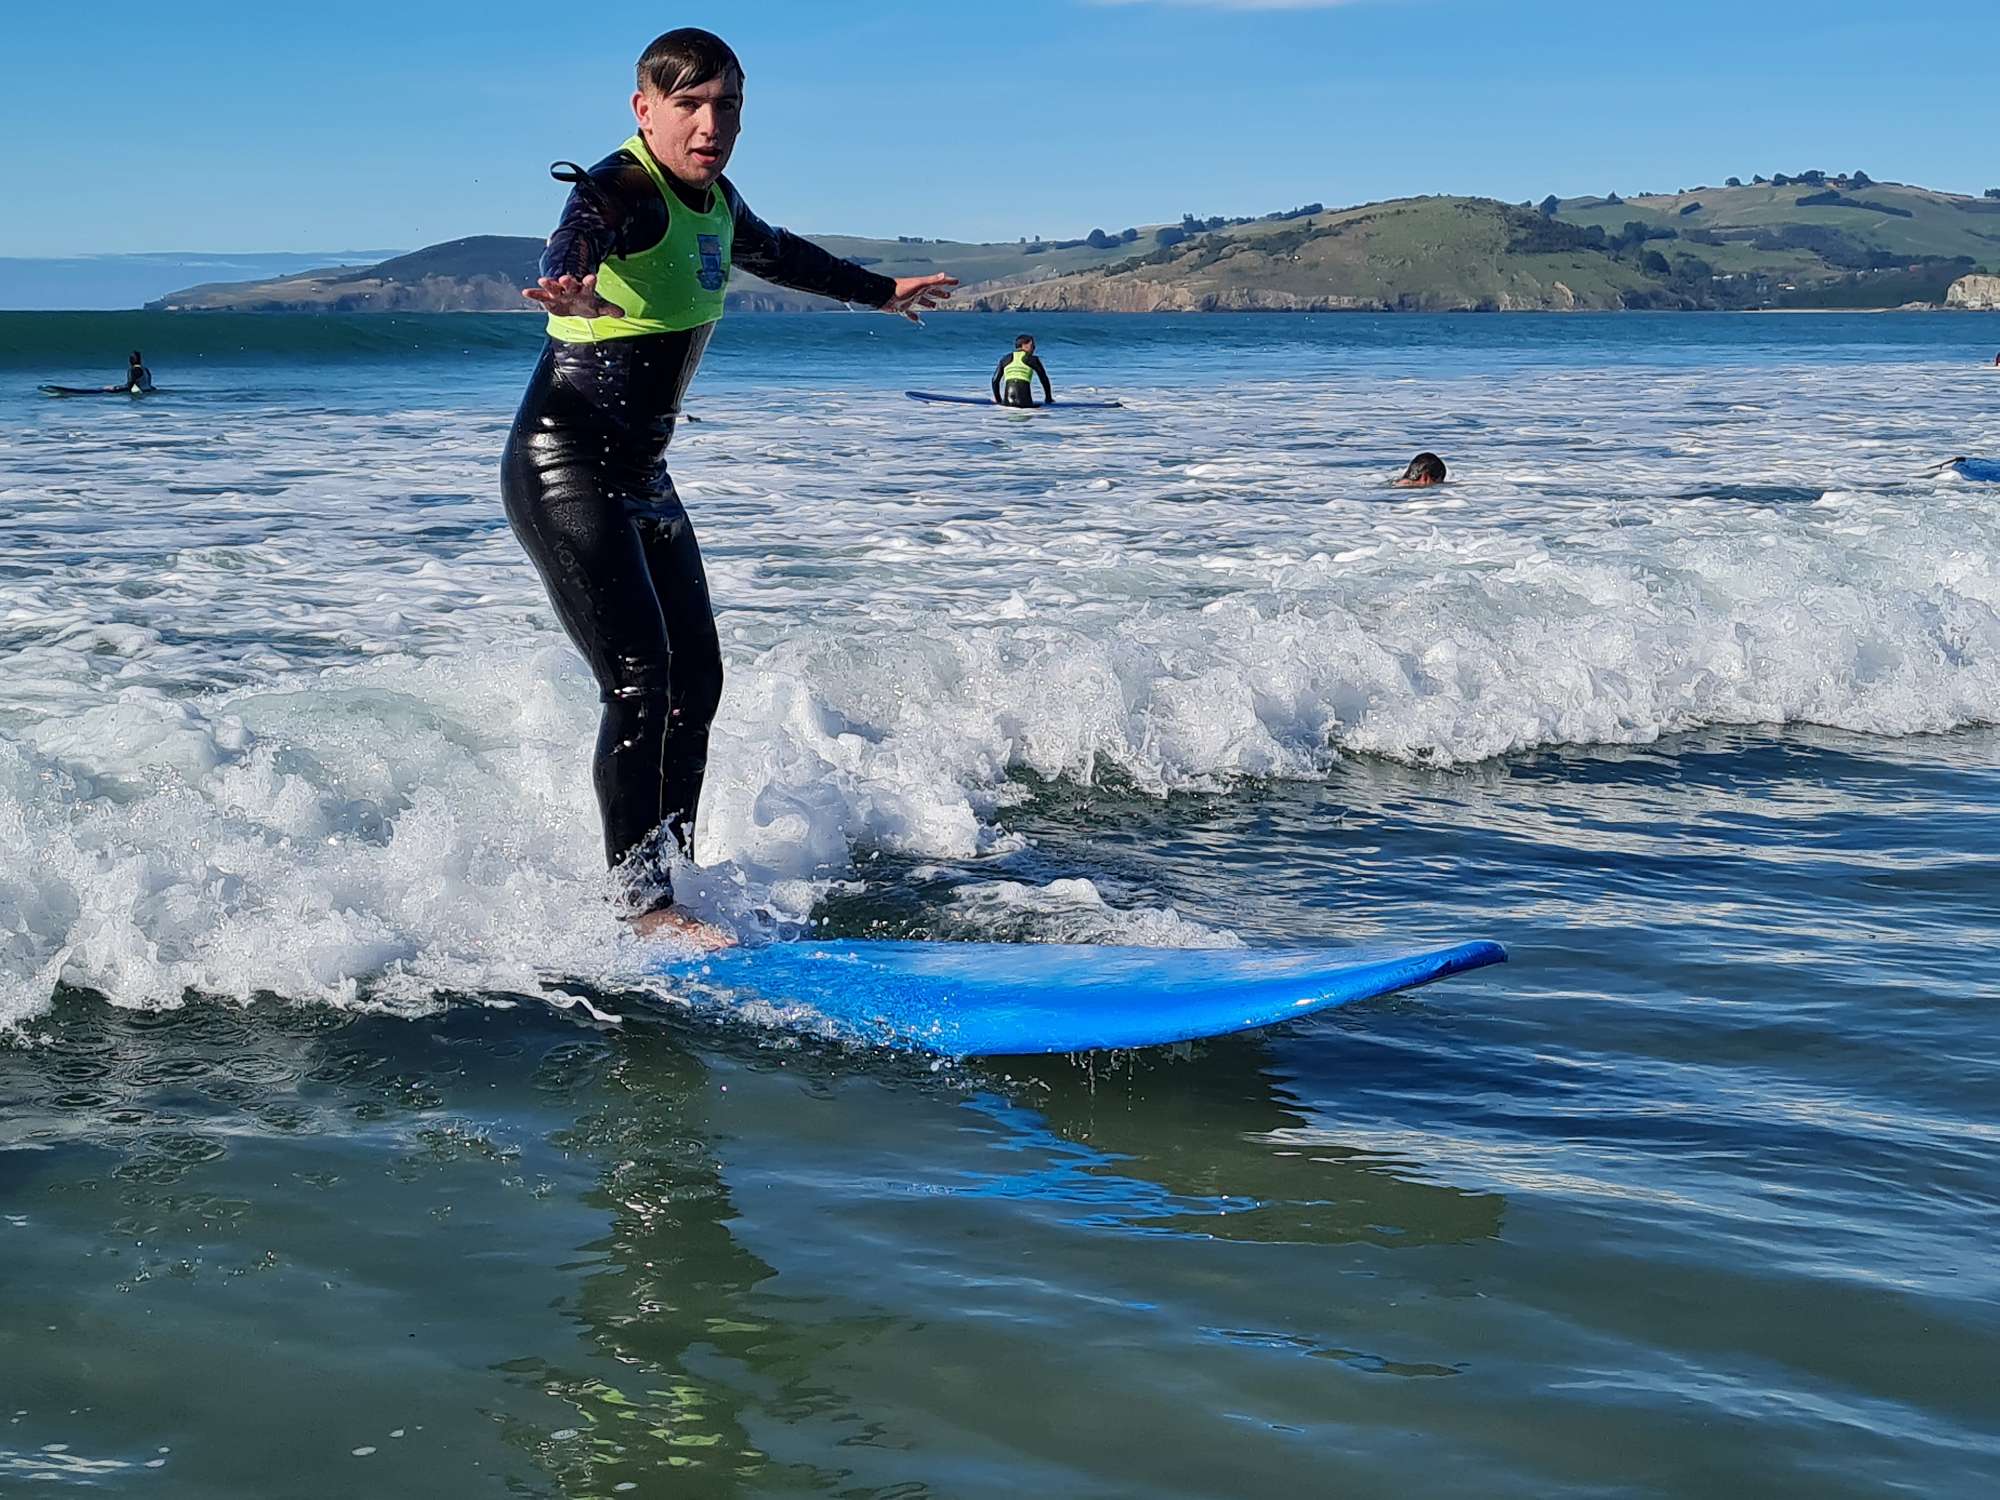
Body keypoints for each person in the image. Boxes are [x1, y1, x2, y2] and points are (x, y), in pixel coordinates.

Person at [501, 27, 956, 946]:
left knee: (695, 683)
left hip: (642, 477)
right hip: (566, 465)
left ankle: (672, 875)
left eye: (728, 107)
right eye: (690, 106)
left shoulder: (715, 202)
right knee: (639, 680)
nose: (711, 126)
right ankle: (642, 909)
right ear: (645, 110)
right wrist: (567, 278)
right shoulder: (622, 189)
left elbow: (780, 253)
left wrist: (881, 290)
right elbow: (578, 227)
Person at [992, 334, 1052, 408]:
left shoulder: (1005, 359)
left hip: (1007, 403)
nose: (1034, 348)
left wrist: (998, 400)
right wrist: (1048, 398)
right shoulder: (1033, 359)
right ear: (1024, 345)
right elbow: (1044, 379)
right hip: (1024, 404)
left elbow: (995, 380)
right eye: (1032, 345)